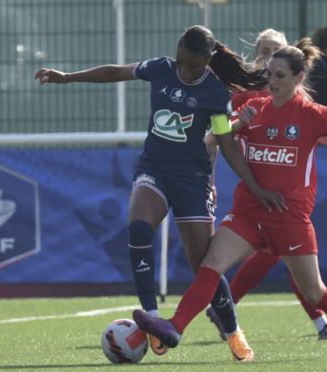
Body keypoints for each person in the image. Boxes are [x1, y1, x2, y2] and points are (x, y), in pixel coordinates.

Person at [132, 38, 327, 361]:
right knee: (211, 265)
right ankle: (174, 327)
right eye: (268, 74)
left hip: (289, 217)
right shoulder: (251, 108)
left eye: (279, 76)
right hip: (248, 211)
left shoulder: (314, 114)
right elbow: (210, 139)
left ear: (298, 78)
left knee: (315, 292)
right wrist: (237, 125)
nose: (271, 81)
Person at [34, 25, 285, 361]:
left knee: (205, 267)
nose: (183, 69)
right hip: (153, 169)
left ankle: (233, 332)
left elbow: (226, 145)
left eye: (192, 65)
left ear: (208, 60)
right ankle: (151, 317)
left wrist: (256, 187)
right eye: (180, 61)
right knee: (138, 229)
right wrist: (68, 77)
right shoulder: (160, 68)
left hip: (192, 180)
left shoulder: (216, 93)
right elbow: (118, 71)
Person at [204, 28, 327, 342]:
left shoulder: (293, 91)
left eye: (276, 51)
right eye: (265, 52)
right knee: (283, 255)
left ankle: (225, 308)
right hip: (258, 194)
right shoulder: (243, 95)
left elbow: (311, 130)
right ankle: (321, 325)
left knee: (289, 256)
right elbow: (215, 139)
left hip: (290, 192)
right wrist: (210, 181)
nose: (269, 58)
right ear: (256, 58)